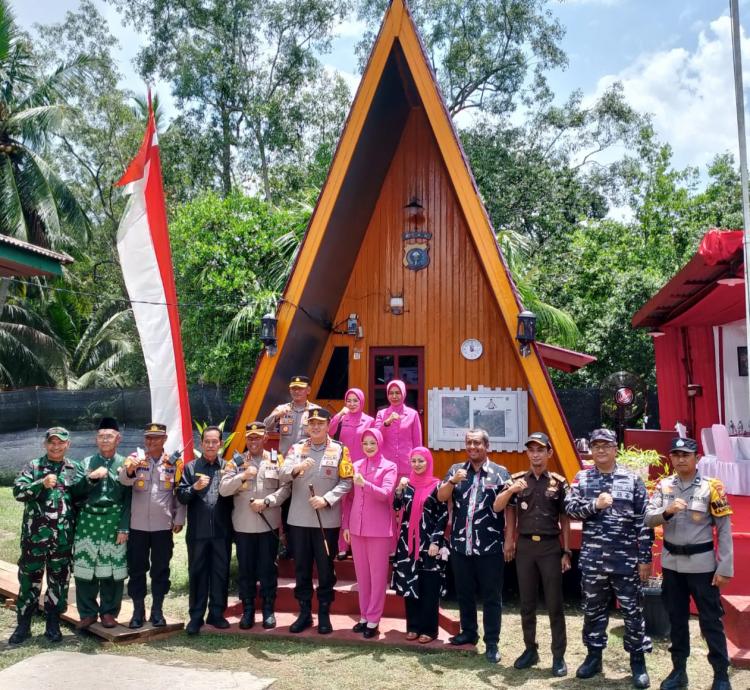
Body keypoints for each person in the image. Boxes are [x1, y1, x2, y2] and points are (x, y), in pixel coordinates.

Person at [565, 428, 653, 688]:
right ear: (590, 450)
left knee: (632, 611)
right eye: (596, 446)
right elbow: (570, 509)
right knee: (593, 611)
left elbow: (644, 521)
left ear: (616, 448)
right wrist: (595, 505)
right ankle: (594, 657)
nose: (601, 450)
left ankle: (637, 661)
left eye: (606, 445)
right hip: (593, 560)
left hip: (625, 560)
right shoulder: (582, 478)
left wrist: (645, 558)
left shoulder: (631, 478)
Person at [645, 437, 734, 690]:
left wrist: (725, 567)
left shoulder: (712, 487)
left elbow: (724, 530)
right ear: (671, 458)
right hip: (672, 566)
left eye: (686, 454)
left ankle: (720, 674)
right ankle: (678, 671)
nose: (681, 459)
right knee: (677, 619)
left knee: (711, 621)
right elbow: (647, 519)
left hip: (702, 567)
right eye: (676, 454)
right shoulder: (664, 486)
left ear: (697, 458)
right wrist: (667, 511)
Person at [495, 431, 571, 677]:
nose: (535, 454)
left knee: (554, 603)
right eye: (531, 450)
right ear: (527, 453)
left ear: (549, 453)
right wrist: (510, 539)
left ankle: (558, 655)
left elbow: (565, 518)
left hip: (550, 547)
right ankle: (530, 649)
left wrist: (566, 551)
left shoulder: (559, 483)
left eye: (540, 450)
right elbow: (503, 509)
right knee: (526, 602)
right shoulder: (517, 480)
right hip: (525, 547)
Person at [437, 428, 511, 663]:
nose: (472, 447)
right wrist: (452, 480)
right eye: (469, 443)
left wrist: (510, 540)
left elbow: (508, 507)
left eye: (477, 443)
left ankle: (492, 642)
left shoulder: (499, 473)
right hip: (460, 545)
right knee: (464, 593)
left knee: (491, 596)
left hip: (489, 547)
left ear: (486, 446)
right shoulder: (456, 470)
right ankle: (469, 632)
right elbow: (441, 496)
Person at [280, 408, 353, 634]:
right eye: (311, 423)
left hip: (326, 520)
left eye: (320, 423)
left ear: (329, 424)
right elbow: (282, 473)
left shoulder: (340, 449)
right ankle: (304, 613)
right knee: (301, 568)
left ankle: (323, 612)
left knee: (325, 568)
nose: (315, 427)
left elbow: (347, 481)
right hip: (299, 519)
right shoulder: (297, 448)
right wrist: (296, 468)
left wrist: (327, 499)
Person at [9, 427, 79, 644]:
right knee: (29, 581)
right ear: (45, 444)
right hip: (34, 539)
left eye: (61, 442)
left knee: (59, 582)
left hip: (63, 539)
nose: (56, 446)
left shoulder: (74, 469)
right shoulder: (34, 466)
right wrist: (40, 483)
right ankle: (23, 625)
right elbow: (18, 492)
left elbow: (82, 498)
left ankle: (53, 623)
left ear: (68, 444)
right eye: (52, 442)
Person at [219, 421, 291, 630]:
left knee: (268, 569)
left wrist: (268, 501)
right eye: (250, 438)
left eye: (258, 437)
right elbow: (223, 490)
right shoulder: (235, 462)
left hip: (268, 526)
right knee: (246, 570)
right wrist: (243, 475)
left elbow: (286, 488)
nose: (253, 441)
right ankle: (248, 609)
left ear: (265, 438)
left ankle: (269, 609)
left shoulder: (276, 460)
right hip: (244, 527)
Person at [118, 422, 185, 629]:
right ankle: (138, 611)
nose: (151, 441)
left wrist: (179, 517)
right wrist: (131, 469)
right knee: (137, 569)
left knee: (160, 569)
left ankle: (157, 610)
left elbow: (179, 493)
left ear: (164, 439)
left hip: (162, 526)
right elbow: (123, 480)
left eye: (156, 438)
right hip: (137, 526)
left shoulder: (174, 463)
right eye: (148, 437)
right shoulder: (135, 458)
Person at [71, 417, 131, 629]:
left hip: (114, 521)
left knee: (113, 571)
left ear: (118, 439)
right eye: (101, 436)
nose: (105, 440)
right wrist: (91, 478)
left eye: (109, 436)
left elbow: (129, 498)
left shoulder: (126, 464)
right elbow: (74, 492)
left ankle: (109, 613)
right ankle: (87, 613)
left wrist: (124, 526)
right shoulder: (86, 463)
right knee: (85, 568)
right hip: (88, 520)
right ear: (96, 439)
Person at [177, 425, 234, 635]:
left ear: (220, 444)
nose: (211, 445)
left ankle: (217, 614)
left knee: (220, 572)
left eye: (215, 442)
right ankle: (196, 616)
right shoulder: (191, 468)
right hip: (198, 533)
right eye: (207, 442)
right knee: (198, 573)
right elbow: (181, 495)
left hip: (222, 531)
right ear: (202, 444)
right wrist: (194, 488)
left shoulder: (227, 467)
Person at [341, 428, 397, 638]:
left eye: (373, 443)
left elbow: (385, 495)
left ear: (379, 443)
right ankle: (364, 616)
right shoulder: (355, 466)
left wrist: (366, 484)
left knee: (378, 576)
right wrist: (346, 526)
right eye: (365, 443)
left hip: (379, 530)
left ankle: (374, 619)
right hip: (356, 528)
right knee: (362, 576)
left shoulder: (389, 466)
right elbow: (348, 500)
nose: (369, 447)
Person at [392, 446, 448, 644]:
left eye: (421, 461)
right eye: (414, 461)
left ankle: (429, 630)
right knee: (410, 584)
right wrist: (399, 489)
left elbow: (442, 515)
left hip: (428, 543)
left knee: (429, 586)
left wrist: (436, 541)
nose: (417, 464)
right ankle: (413, 627)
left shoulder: (437, 485)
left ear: (428, 462)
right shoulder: (407, 485)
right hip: (407, 543)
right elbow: (397, 508)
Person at [264, 374, 322, 556]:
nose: (296, 391)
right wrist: (275, 416)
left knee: (308, 501)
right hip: (287, 465)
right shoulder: (282, 409)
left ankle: (311, 545)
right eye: (293, 388)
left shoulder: (315, 410)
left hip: (308, 463)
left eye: (300, 388)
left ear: (308, 390)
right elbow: (265, 427)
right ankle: (289, 545)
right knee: (286, 504)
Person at [330, 388, 374, 559]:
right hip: (345, 467)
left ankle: (358, 542)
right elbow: (329, 431)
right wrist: (340, 414)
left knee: (361, 504)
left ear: (361, 402)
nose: (352, 404)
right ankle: (342, 545)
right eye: (349, 400)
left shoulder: (369, 420)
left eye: (356, 400)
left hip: (362, 469)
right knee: (343, 504)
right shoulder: (342, 419)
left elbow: (375, 442)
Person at [374, 379, 422, 479]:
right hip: (386, 464)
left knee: (405, 494)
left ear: (403, 393)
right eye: (391, 393)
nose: (394, 396)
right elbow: (376, 437)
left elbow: (417, 443)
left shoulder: (413, 414)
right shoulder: (381, 414)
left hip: (407, 464)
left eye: (397, 393)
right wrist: (387, 422)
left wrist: (418, 463)